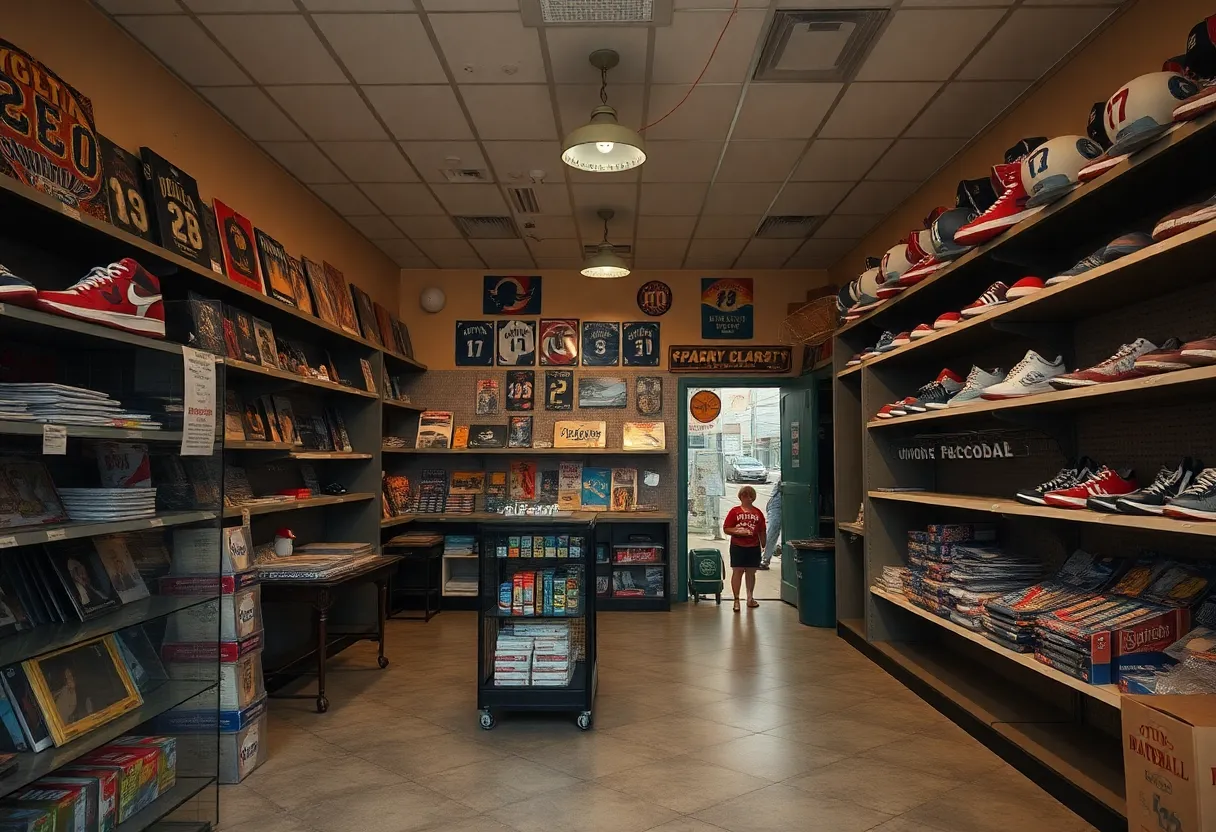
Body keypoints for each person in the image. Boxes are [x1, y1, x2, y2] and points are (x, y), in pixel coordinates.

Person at [723, 486, 767, 612]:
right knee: (737, 571)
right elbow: (726, 528)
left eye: (751, 496)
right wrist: (737, 531)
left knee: (751, 572)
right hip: (737, 546)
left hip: (753, 546)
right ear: (741, 497)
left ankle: (750, 597)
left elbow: (762, 530)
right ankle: (736, 599)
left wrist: (763, 544)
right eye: (745, 496)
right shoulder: (734, 512)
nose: (748, 498)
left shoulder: (758, 513)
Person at [760, 474, 782, 570]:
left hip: (780, 501)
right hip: (777, 501)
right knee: (773, 529)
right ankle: (764, 559)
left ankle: (775, 550)